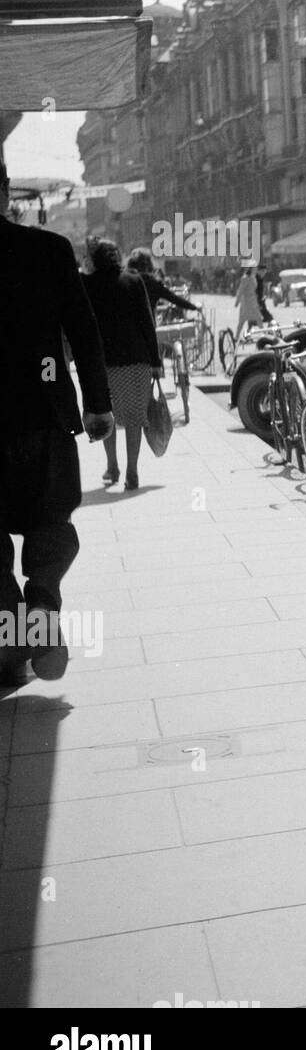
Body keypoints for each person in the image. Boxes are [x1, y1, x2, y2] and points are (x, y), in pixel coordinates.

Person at [0, 157, 114, 684]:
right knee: (51, 522)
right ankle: (42, 606)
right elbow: (84, 330)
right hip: (45, 418)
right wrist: (98, 405)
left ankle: (11, 641)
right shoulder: (48, 250)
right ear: (5, 195)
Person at [82, 240, 164, 492]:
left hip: (102, 363)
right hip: (135, 362)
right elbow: (146, 323)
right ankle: (132, 471)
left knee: (105, 411)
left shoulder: (87, 284)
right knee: (134, 418)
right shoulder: (133, 280)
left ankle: (112, 466)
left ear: (94, 260)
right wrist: (155, 361)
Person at [127, 248, 199, 318]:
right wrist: (194, 307)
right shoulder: (154, 284)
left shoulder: (125, 282)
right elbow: (175, 299)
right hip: (147, 327)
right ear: (148, 265)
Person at [233, 265, 262, 341]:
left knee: (258, 318)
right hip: (246, 301)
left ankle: (263, 334)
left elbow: (254, 289)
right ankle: (236, 337)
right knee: (242, 320)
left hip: (252, 300)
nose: (256, 269)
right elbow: (241, 290)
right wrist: (237, 302)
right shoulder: (245, 278)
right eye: (255, 268)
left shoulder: (253, 277)